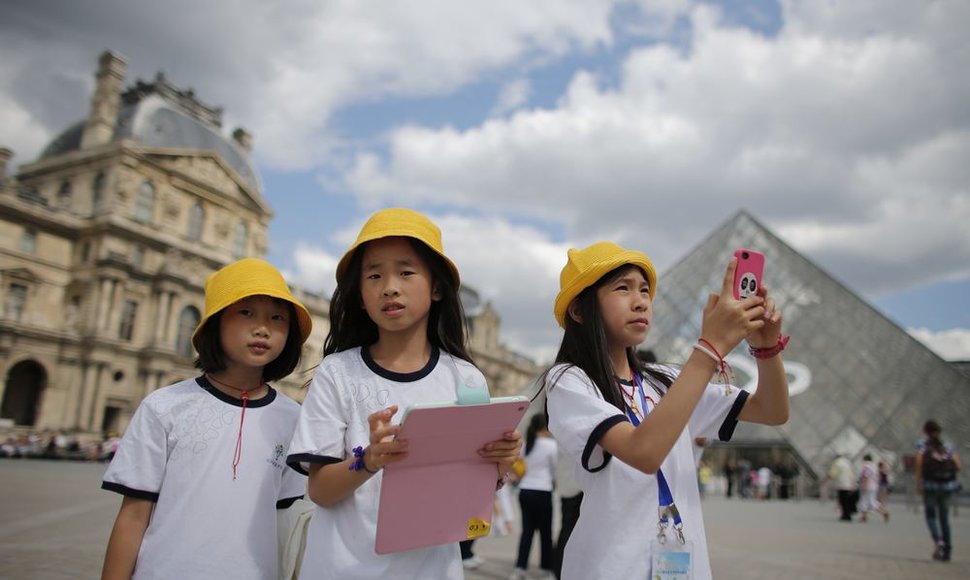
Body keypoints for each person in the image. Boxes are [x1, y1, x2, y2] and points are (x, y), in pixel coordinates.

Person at [285, 208, 522, 579]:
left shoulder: (467, 379)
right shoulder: (338, 372)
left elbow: (474, 492)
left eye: (406, 272)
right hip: (341, 568)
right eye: (374, 275)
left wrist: (502, 461)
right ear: (360, 295)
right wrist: (369, 460)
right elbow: (320, 490)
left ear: (438, 287)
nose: (389, 286)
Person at [544, 241, 790, 580]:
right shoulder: (569, 380)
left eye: (645, 290)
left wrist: (766, 349)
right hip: (610, 568)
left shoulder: (668, 381)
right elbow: (643, 453)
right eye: (623, 288)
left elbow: (772, 410)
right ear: (579, 310)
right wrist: (709, 349)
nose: (641, 300)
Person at [100, 258, 312, 580]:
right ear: (215, 322)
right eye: (245, 312)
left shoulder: (294, 418)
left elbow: (288, 520)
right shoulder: (165, 406)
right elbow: (134, 515)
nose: (262, 328)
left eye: (277, 317)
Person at [511, 414, 558, 580]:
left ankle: (519, 569)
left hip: (525, 490)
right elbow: (554, 470)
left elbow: (518, 465)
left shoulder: (526, 445)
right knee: (545, 533)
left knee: (527, 532)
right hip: (543, 491)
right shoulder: (551, 445)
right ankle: (546, 570)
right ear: (546, 426)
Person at [915, 419, 962, 562]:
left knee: (930, 516)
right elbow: (958, 466)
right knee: (944, 519)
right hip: (947, 486)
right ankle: (947, 550)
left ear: (925, 431)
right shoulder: (948, 446)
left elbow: (919, 463)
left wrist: (919, 483)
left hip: (930, 486)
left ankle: (938, 541)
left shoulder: (922, 445)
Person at [552, 444, 582, 579]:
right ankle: (562, 571)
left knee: (565, 529)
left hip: (566, 487)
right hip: (577, 487)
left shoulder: (560, 440)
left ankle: (558, 570)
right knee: (570, 531)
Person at [822, 454, 856, 521]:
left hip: (841, 484)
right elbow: (852, 474)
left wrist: (825, 480)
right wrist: (852, 484)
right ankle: (847, 514)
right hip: (848, 484)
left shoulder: (837, 463)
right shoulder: (847, 463)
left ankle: (845, 515)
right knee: (847, 500)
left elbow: (833, 474)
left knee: (842, 500)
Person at [857, 454, 888, 523]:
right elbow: (878, 476)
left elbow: (866, 476)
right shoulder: (874, 466)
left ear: (865, 459)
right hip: (874, 486)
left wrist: (865, 485)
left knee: (865, 501)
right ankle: (883, 512)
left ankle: (865, 517)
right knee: (872, 501)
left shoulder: (866, 466)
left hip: (867, 485)